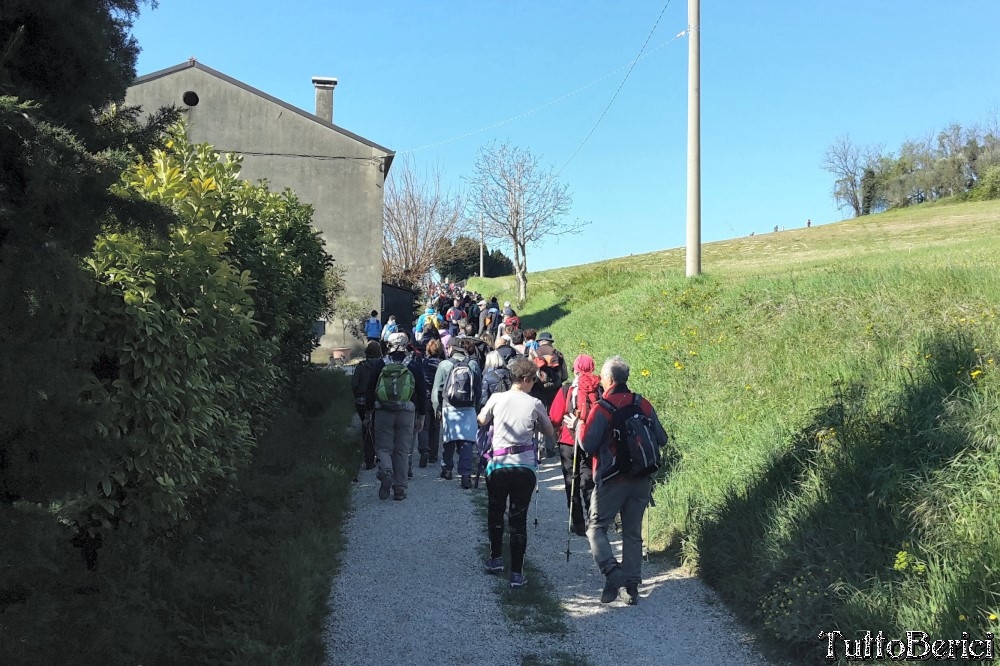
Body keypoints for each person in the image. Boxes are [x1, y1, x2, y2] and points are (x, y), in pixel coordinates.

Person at [580, 356, 668, 605]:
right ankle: (632, 588)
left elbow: (587, 444)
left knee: (596, 528)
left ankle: (612, 572)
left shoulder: (603, 407)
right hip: (642, 478)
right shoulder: (643, 403)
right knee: (632, 533)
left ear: (607, 379)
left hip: (612, 479)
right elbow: (662, 438)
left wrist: (578, 427)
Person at [477, 357, 555, 589]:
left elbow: (481, 420)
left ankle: (495, 559)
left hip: (499, 464)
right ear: (526, 380)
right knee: (518, 518)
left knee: (496, 510)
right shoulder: (534, 404)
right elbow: (549, 430)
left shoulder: (497, 398)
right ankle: (517, 573)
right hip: (525, 467)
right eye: (533, 380)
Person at [367, 332, 427, 501]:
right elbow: (422, 392)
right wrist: (421, 416)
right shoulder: (413, 366)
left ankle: (386, 471)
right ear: (407, 345)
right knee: (402, 450)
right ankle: (399, 488)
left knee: (384, 448)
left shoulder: (381, 364)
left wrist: (369, 411)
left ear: (388, 345)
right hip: (406, 412)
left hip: (383, 411)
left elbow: (371, 388)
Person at [548, 353, 601, 536]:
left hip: (568, 440)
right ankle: (593, 519)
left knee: (571, 480)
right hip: (590, 440)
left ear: (575, 369)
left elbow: (555, 417)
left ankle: (577, 523)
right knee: (589, 480)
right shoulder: (599, 389)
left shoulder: (567, 389)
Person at [432, 337, 482, 488]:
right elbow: (478, 390)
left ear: (450, 349)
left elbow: (436, 390)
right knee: (467, 442)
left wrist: (437, 409)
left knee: (449, 440)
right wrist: (477, 408)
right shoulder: (473, 364)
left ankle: (447, 469)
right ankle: (465, 475)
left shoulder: (444, 365)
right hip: (469, 407)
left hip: (450, 407)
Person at [350, 341, 384, 470]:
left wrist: (357, 395)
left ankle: (369, 459)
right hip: (378, 400)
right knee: (378, 428)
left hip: (361, 401)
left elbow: (354, 384)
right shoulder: (382, 366)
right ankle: (379, 456)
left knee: (366, 428)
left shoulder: (361, 366)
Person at [417, 338, 445, 467]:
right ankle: (433, 454)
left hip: (424, 396)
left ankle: (424, 449)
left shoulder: (423, 362)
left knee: (423, 425)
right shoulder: (442, 364)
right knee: (435, 426)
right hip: (437, 398)